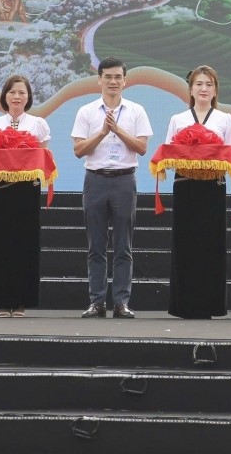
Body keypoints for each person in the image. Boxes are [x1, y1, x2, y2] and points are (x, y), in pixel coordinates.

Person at [72, 56, 152, 319]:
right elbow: (78, 150)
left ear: (125, 81)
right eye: (108, 77)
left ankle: (121, 302)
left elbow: (142, 147)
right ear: (99, 80)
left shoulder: (136, 111)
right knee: (96, 245)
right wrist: (102, 133)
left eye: (118, 77)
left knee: (123, 245)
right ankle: (97, 302)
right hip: (95, 179)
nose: (113, 81)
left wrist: (117, 130)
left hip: (124, 180)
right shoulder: (86, 111)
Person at [164, 65, 231, 319]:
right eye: (199, 84)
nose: (204, 88)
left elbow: (230, 154)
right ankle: (184, 304)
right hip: (185, 185)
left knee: (211, 243)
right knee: (185, 243)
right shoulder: (178, 119)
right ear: (191, 89)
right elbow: (169, 153)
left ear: (215, 90)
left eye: (209, 84)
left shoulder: (225, 119)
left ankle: (210, 304)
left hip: (213, 187)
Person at [0, 74, 50, 318]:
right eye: (12, 92)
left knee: (25, 244)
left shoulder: (38, 123)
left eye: (22, 92)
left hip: (27, 190)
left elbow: (43, 159)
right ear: (4, 96)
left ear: (28, 97)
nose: (17, 97)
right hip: (0, 190)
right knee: (0, 244)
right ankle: (2, 301)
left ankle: (21, 302)